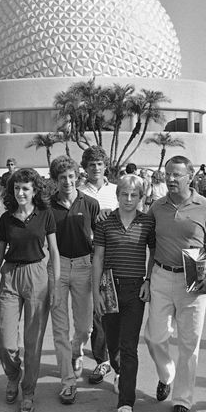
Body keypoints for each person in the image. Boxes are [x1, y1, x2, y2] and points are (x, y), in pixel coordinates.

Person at [145, 155, 206, 412]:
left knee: (189, 342)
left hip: (194, 276)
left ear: (190, 176)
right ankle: (166, 375)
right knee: (155, 337)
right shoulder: (157, 207)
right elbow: (150, 243)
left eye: (177, 174)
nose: (170, 179)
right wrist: (147, 276)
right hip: (161, 275)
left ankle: (182, 399)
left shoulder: (205, 206)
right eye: (167, 174)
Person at [0, 168, 61, 412]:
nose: (20, 193)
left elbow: (54, 251)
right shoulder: (6, 218)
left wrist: (57, 283)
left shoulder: (45, 215)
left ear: (34, 191)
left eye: (25, 188)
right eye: (16, 188)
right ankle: (13, 375)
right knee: (5, 340)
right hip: (10, 275)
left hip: (37, 275)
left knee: (33, 340)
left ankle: (28, 392)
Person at [92, 174, 155, 412]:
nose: (129, 199)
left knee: (129, 347)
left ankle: (126, 405)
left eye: (134, 195)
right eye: (124, 194)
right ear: (117, 195)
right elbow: (97, 257)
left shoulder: (147, 222)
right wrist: (95, 291)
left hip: (134, 290)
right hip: (108, 287)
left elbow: (155, 252)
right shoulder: (105, 222)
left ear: (141, 197)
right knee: (113, 342)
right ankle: (119, 373)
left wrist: (148, 280)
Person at [47, 156, 99, 404]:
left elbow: (100, 241)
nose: (67, 182)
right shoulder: (47, 207)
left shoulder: (90, 204)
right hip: (57, 269)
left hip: (84, 267)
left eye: (71, 176)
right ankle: (68, 382)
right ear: (55, 181)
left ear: (77, 177)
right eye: (61, 178)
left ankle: (77, 350)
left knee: (85, 326)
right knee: (59, 328)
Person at [77, 145, 118, 385]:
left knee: (116, 309)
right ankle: (102, 360)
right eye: (91, 164)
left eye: (100, 164)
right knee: (96, 311)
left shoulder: (117, 190)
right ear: (85, 167)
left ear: (105, 166)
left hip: (116, 255)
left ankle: (119, 361)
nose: (96, 168)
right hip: (89, 256)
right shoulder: (80, 192)